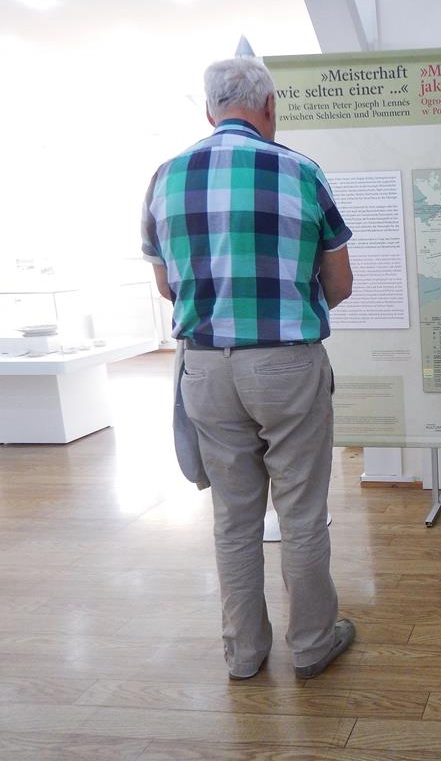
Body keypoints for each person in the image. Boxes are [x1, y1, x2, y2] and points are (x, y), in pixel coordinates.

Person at [141, 56, 355, 681]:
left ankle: (243, 653)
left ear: (209, 111)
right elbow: (340, 283)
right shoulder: (300, 170)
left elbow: (166, 287)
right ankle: (312, 644)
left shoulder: (165, 176)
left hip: (205, 367)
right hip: (286, 364)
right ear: (269, 106)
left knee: (234, 517)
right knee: (301, 512)